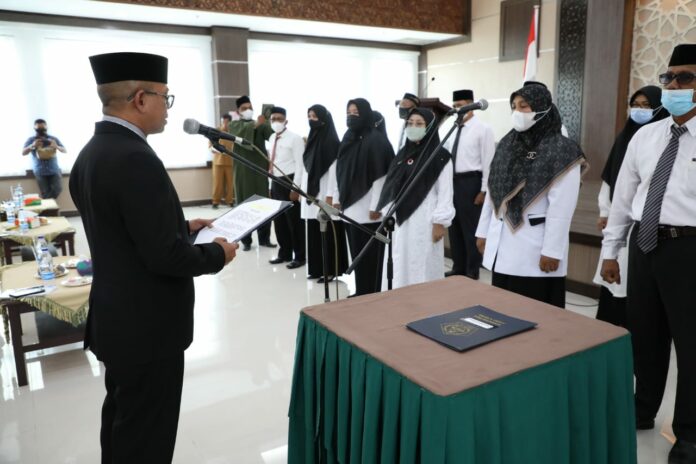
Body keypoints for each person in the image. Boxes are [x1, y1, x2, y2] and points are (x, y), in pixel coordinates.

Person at [69, 52, 238, 463]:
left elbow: (120, 231)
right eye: (166, 97)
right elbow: (166, 258)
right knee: (147, 438)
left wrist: (182, 226)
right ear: (141, 99)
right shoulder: (135, 158)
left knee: (123, 422)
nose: (168, 107)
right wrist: (217, 253)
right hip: (147, 329)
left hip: (118, 320)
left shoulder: (93, 152)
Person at [601, 44, 696, 463]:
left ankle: (689, 433)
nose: (674, 86)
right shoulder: (647, 135)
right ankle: (641, 411)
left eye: (685, 78)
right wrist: (610, 251)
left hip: (689, 248)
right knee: (644, 336)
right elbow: (623, 199)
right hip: (643, 243)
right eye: (668, 78)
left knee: (691, 345)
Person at [475, 83, 584, 308]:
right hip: (502, 243)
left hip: (534, 249)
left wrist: (552, 250)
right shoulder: (507, 143)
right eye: (514, 106)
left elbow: (562, 207)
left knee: (534, 313)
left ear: (542, 107)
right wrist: (483, 232)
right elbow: (493, 190)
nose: (517, 112)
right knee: (502, 310)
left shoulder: (562, 150)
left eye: (524, 106)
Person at [593, 86, 669, 327]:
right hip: (620, 221)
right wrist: (605, 210)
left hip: (649, 225)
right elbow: (611, 179)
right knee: (615, 279)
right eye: (635, 105)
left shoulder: (666, 139)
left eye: (646, 105)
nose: (639, 110)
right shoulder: (626, 137)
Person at [376, 107, 454, 288]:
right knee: (400, 262)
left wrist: (440, 222)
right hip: (400, 221)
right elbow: (392, 186)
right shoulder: (403, 153)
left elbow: (445, 192)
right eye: (410, 123)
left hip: (425, 220)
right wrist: (387, 213)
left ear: (430, 127)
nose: (413, 127)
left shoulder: (440, 156)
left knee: (422, 264)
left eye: (419, 124)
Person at [334, 98, 394, 296]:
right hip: (350, 207)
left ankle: (372, 293)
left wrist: (376, 206)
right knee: (357, 254)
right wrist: (338, 198)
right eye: (348, 112)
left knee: (371, 256)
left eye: (356, 112)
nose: (351, 116)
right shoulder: (348, 137)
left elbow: (380, 176)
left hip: (369, 211)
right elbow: (340, 171)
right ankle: (361, 291)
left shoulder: (376, 140)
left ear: (365, 114)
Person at [444, 89, 495, 280]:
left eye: (461, 105)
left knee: (471, 229)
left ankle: (472, 270)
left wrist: (483, 190)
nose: (458, 109)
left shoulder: (483, 129)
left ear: (471, 105)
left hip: (471, 183)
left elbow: (488, 161)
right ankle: (458, 267)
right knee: (454, 227)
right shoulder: (452, 130)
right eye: (455, 106)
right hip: (452, 182)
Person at [301, 104, 349, 282]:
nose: (311, 120)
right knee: (314, 232)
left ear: (324, 119)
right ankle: (316, 268)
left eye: (314, 116)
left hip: (324, 195)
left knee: (328, 233)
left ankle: (330, 270)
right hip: (311, 194)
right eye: (309, 116)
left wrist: (330, 196)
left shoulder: (332, 143)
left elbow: (335, 172)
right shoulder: (312, 140)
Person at [228, 95, 276, 251]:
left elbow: (272, 136)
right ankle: (246, 241)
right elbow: (241, 134)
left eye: (250, 107)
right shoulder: (234, 125)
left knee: (264, 204)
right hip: (243, 172)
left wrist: (269, 121)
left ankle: (264, 239)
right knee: (244, 205)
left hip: (260, 170)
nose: (248, 110)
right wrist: (256, 124)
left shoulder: (260, 124)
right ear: (238, 111)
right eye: (244, 108)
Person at [267, 106, 306, 269]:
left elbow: (300, 165)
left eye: (279, 119)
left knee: (294, 222)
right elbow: (271, 162)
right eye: (273, 119)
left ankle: (300, 256)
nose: (276, 122)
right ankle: (284, 253)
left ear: (286, 121)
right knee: (279, 221)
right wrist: (270, 186)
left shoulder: (295, 139)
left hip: (289, 180)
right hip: (276, 181)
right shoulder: (271, 137)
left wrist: (295, 188)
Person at [22, 118, 67, 199]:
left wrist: (56, 146)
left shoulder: (53, 138)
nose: (41, 130)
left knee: (58, 189)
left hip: (54, 169)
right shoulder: (31, 140)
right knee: (45, 192)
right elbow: (23, 153)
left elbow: (64, 150)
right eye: (38, 128)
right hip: (40, 171)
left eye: (43, 128)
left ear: (46, 127)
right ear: (34, 128)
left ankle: (46, 203)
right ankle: (49, 205)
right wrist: (32, 145)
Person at [209, 113, 234, 209]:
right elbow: (210, 146)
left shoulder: (233, 132)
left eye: (227, 122)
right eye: (223, 121)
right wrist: (215, 149)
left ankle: (230, 201)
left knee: (230, 183)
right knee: (217, 183)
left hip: (230, 162)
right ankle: (215, 201)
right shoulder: (215, 131)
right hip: (218, 162)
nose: (225, 123)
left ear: (230, 122)